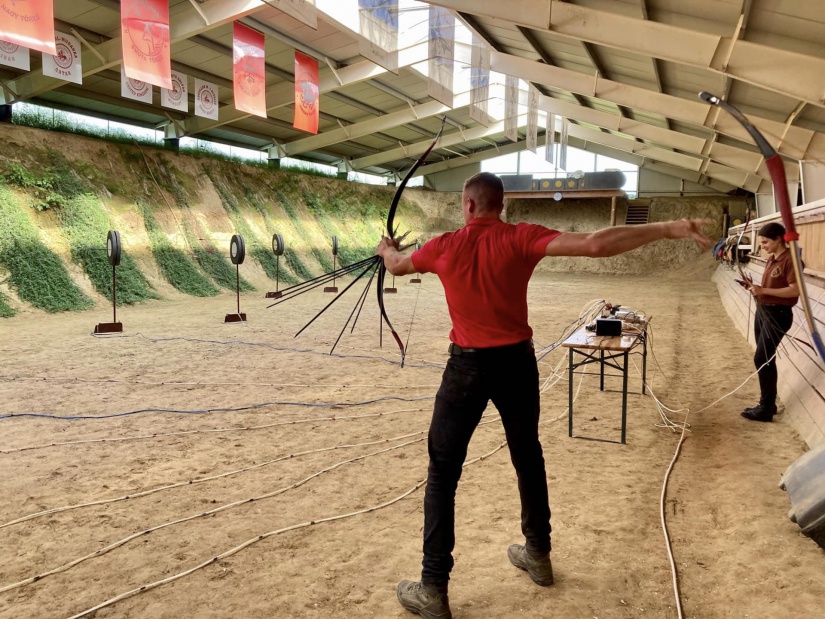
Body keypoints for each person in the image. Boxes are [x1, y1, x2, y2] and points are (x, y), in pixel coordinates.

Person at [376, 172, 712, 619]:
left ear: (468, 205)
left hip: (466, 369)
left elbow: (397, 266)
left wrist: (386, 249)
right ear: (502, 205)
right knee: (527, 457)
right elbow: (595, 243)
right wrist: (670, 227)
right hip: (516, 365)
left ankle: (434, 589)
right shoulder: (519, 237)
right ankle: (538, 554)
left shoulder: (444, 245)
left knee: (442, 474)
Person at [740, 222, 800, 422]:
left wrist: (764, 291)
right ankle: (767, 404)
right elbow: (771, 287)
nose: (762, 246)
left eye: (765, 242)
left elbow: (795, 290)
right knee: (765, 357)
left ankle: (766, 407)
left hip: (778, 314)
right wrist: (756, 288)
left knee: (762, 358)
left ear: (778, 239)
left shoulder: (791, 260)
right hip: (764, 311)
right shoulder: (772, 259)